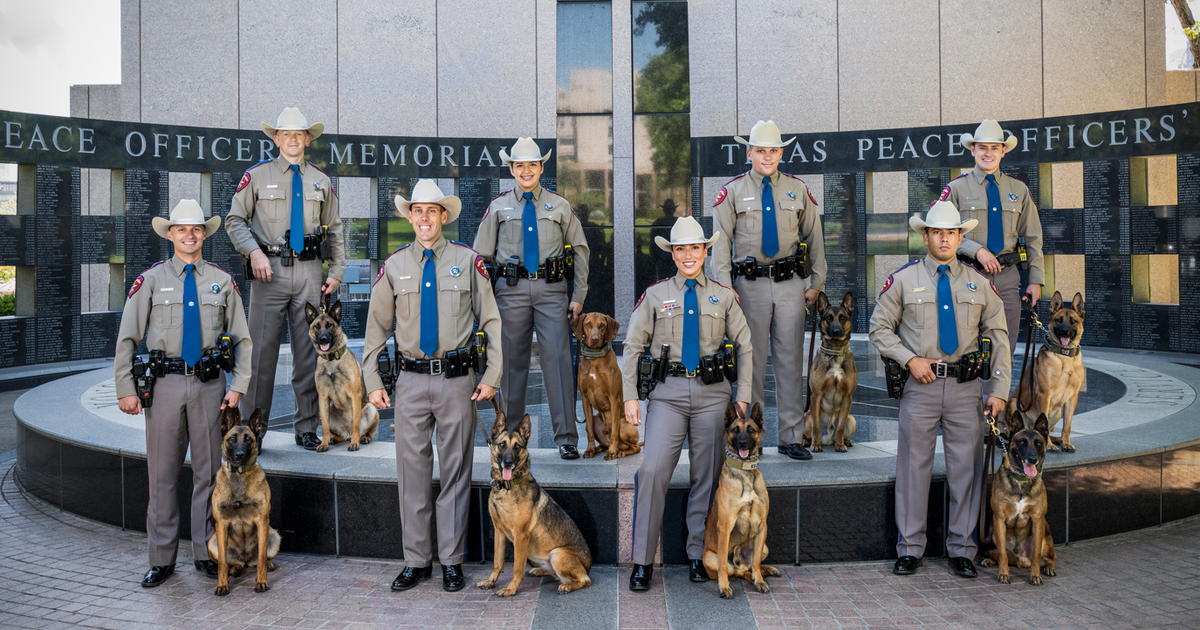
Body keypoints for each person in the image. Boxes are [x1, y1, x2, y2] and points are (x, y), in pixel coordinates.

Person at [362, 179, 502, 593]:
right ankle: (417, 560)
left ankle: (453, 561)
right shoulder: (394, 267)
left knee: (456, 472)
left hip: (458, 381)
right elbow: (375, 330)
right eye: (417, 211)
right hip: (408, 382)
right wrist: (373, 380)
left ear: (444, 216)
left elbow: (491, 321)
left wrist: (491, 376)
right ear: (409, 216)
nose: (424, 218)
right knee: (413, 473)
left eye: (432, 211)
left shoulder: (467, 261)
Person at [868, 200, 1011, 579]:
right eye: (937, 232)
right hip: (920, 386)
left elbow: (998, 337)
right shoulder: (903, 280)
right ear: (926, 236)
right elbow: (878, 329)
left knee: (967, 470)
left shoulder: (979, 283)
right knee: (913, 468)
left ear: (960, 237)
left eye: (951, 232)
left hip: (966, 389)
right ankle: (910, 547)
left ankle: (963, 548)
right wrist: (909, 359)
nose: (944, 238)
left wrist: (998, 390)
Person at [113, 199, 252, 587]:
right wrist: (126, 387)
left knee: (209, 474)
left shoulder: (222, 281)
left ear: (204, 234)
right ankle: (161, 558)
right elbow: (126, 337)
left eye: (196, 229)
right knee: (163, 475)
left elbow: (242, 339)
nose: (189, 235)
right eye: (181, 229)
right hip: (166, 385)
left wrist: (238, 385)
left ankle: (205, 551)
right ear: (170, 234)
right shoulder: (152, 280)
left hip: (210, 386)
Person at [623, 217, 753, 592]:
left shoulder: (723, 297)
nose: (688, 255)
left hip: (714, 395)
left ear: (705, 251)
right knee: (652, 471)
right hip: (669, 395)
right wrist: (630, 395)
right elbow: (633, 345)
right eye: (681, 249)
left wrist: (742, 395)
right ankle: (642, 560)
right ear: (672, 254)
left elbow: (744, 345)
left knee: (707, 477)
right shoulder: (655, 295)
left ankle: (698, 553)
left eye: (695, 248)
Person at [226, 107, 346, 451]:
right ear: (276, 139)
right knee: (260, 356)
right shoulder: (258, 176)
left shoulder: (321, 181)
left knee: (311, 353)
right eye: (286, 135)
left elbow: (335, 228)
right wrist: (254, 252)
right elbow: (235, 221)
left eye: (300, 135)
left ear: (308, 139)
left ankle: (307, 427)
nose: (293, 140)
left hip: (310, 271)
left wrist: (336, 270)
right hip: (269, 272)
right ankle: (253, 431)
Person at [712, 120, 827, 461]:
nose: (767, 156)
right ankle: (749, 436)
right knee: (752, 362)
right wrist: (722, 286)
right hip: (748, 287)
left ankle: (791, 436)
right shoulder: (732, 192)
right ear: (749, 153)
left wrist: (815, 283)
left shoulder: (797, 189)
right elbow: (720, 243)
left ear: (781, 152)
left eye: (773, 150)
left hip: (791, 285)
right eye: (760, 150)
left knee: (790, 362)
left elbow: (815, 238)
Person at [473, 137, 591, 459]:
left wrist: (578, 294)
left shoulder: (559, 206)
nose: (526, 170)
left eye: (532, 165)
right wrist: (484, 304)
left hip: (552, 291)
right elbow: (480, 259)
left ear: (541, 167)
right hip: (509, 293)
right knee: (511, 364)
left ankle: (566, 437)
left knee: (557, 361)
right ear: (511, 169)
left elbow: (580, 250)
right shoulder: (498, 207)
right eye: (519, 165)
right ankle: (510, 438)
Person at [939, 119, 1044, 353]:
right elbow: (942, 234)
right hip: (968, 276)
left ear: (1003, 151)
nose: (988, 153)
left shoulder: (1019, 190)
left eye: (994, 147)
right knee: (967, 349)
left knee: (1004, 348)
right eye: (983, 147)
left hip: (1007, 279)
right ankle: (972, 392)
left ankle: (999, 392)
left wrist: (1035, 280)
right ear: (973, 149)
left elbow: (1033, 237)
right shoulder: (956, 188)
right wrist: (976, 250)